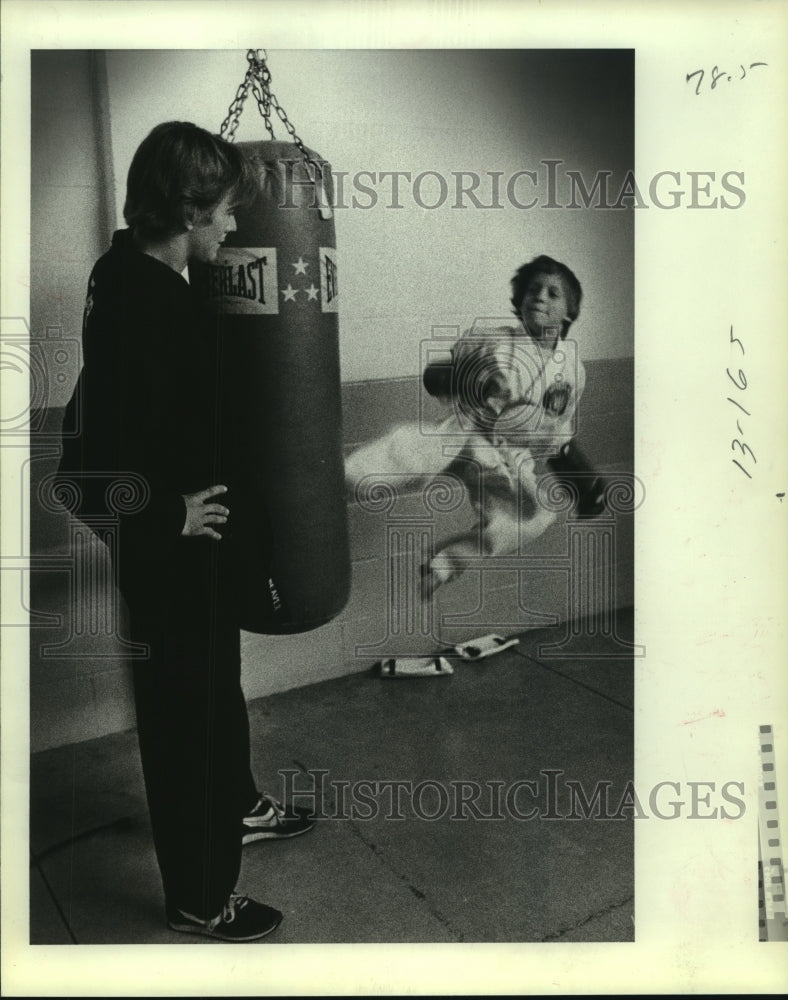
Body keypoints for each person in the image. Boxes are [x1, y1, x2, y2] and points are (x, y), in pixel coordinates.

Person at [57, 121, 312, 943]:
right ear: (189, 210)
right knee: (184, 723)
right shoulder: (147, 304)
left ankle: (236, 805)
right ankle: (202, 899)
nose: (234, 228)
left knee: (212, 692)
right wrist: (167, 513)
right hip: (173, 555)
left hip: (198, 555)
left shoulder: (135, 273)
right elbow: (86, 464)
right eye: (225, 214)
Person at [344, 254, 591, 597]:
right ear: (519, 300)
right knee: (409, 452)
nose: (540, 297)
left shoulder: (572, 370)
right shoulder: (490, 340)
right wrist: (479, 376)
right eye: (533, 290)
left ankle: (445, 564)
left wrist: (579, 477)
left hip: (512, 454)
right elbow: (435, 377)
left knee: (535, 515)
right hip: (466, 432)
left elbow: (556, 430)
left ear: (569, 312)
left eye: (553, 293)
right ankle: (340, 476)